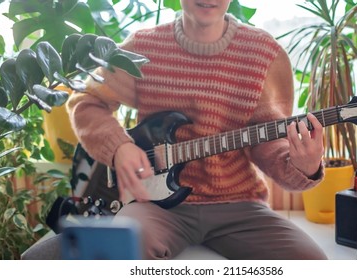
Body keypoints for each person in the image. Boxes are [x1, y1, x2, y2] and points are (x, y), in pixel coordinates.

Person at [22, 0, 327, 260]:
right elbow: (86, 100)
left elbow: (268, 145)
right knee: (117, 255)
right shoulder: (144, 46)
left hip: (239, 205)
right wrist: (120, 147)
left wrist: (304, 165)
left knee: (312, 262)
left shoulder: (263, 54)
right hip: (156, 207)